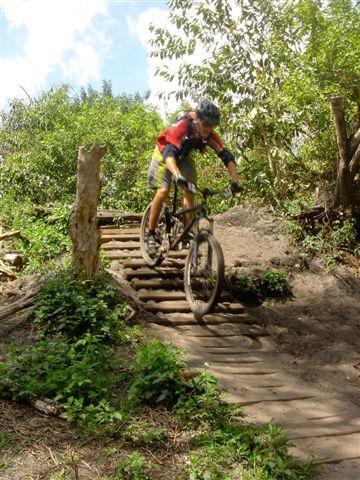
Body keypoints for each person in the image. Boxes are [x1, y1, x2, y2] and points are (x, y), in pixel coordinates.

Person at [146, 99, 243, 255]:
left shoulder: (210, 135)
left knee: (189, 190)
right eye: (206, 124)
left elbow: (226, 156)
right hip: (164, 153)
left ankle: (186, 233)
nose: (208, 128)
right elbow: (169, 153)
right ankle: (150, 233)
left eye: (212, 125)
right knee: (163, 190)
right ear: (197, 120)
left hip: (183, 156)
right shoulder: (183, 126)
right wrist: (177, 175)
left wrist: (235, 182)